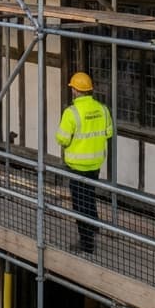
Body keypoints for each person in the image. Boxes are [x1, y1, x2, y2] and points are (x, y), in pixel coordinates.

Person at [55, 72, 114, 254]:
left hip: (77, 167)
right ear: (89, 90)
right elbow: (109, 133)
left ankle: (87, 243)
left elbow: (62, 139)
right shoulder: (103, 109)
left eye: (72, 87)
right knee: (89, 196)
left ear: (75, 91)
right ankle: (94, 225)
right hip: (95, 165)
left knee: (79, 204)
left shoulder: (71, 113)